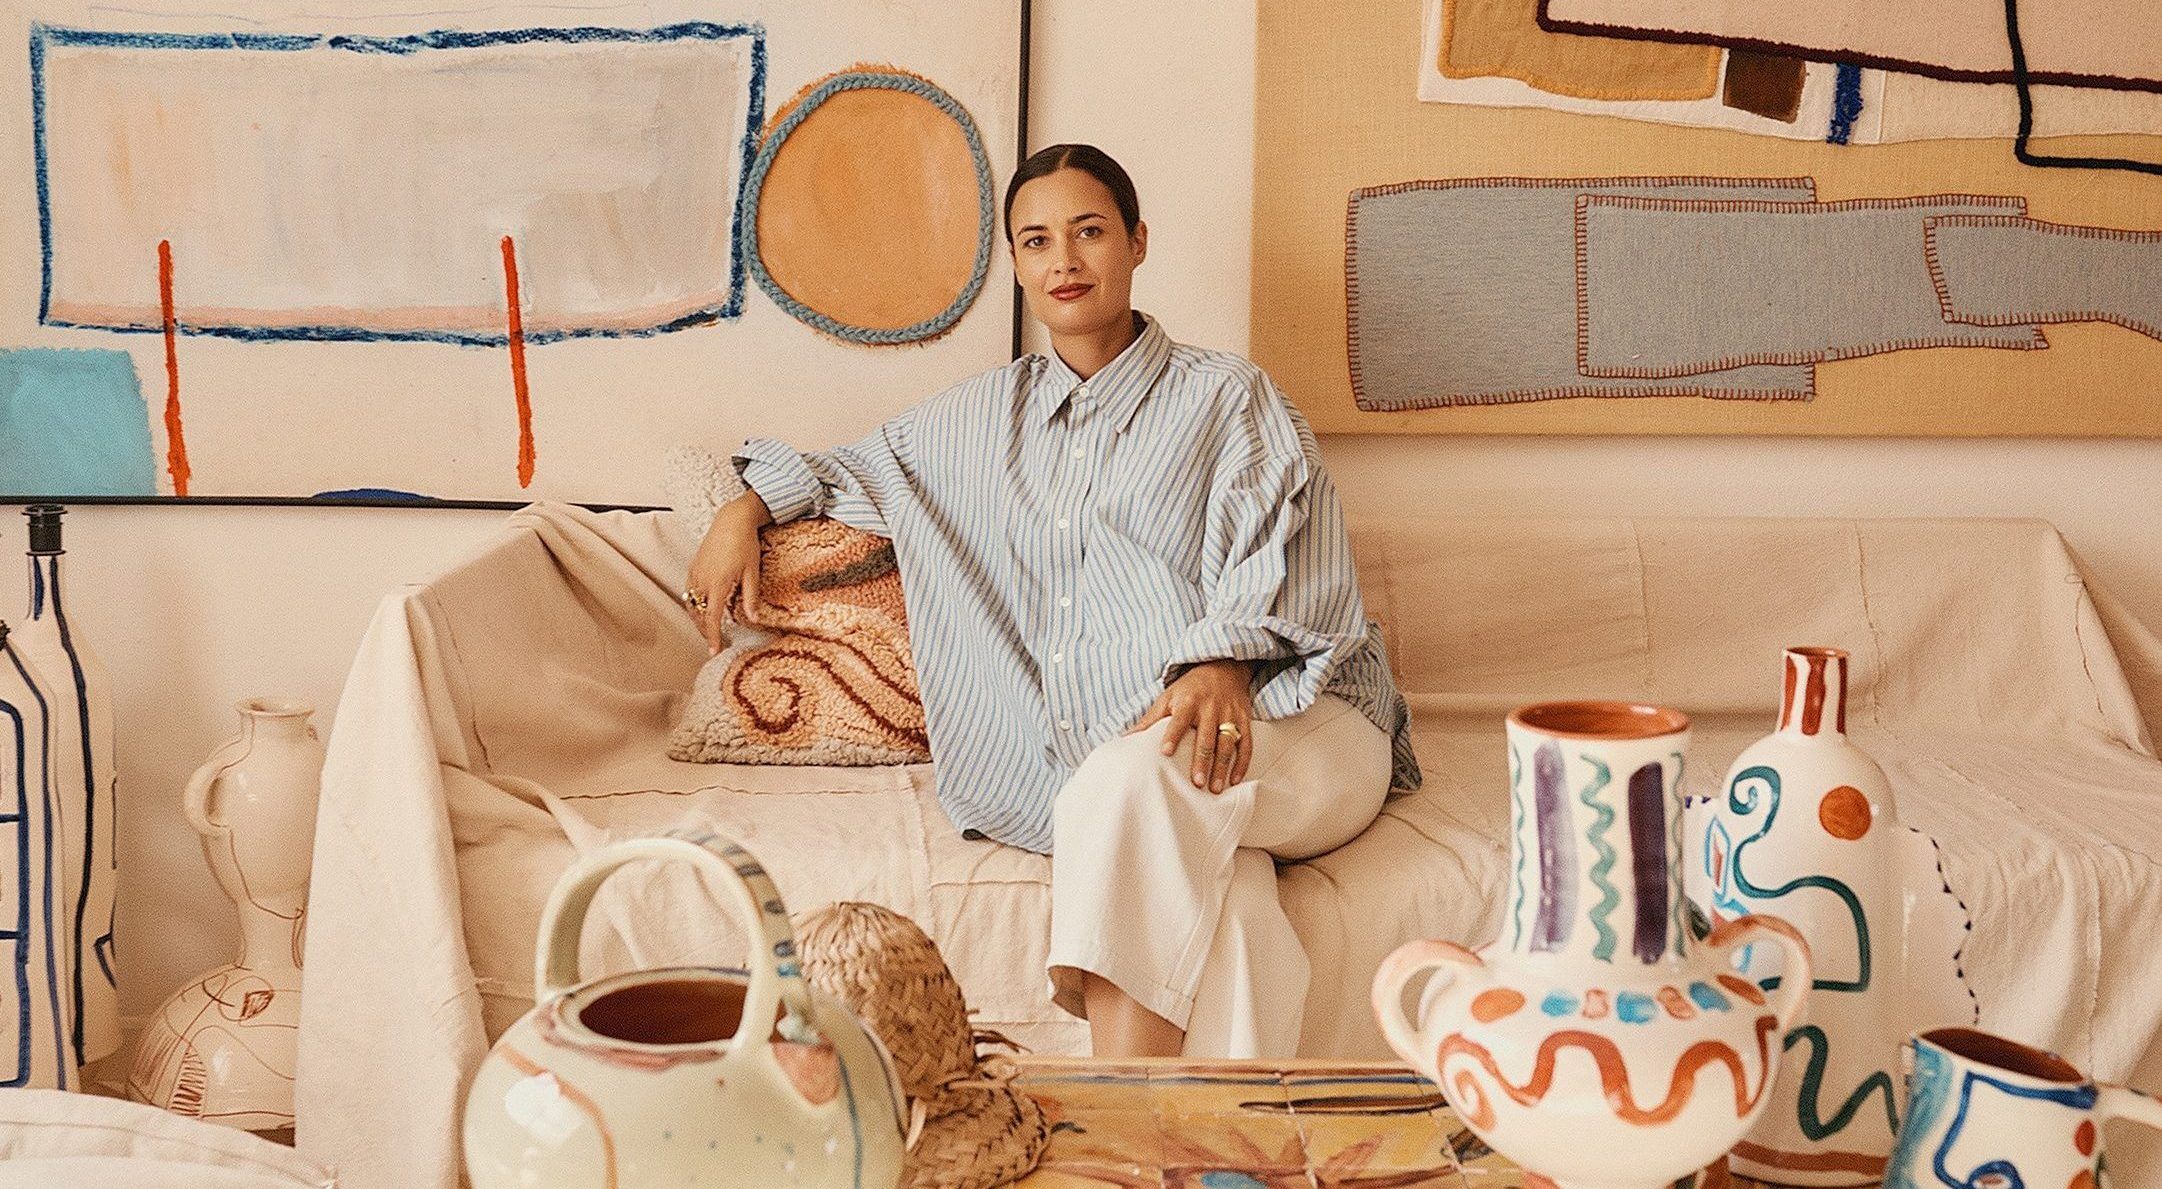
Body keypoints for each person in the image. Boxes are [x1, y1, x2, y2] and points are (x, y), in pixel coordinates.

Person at [683, 143, 1419, 1058]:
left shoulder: (1228, 395)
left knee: (1127, 778)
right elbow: (843, 472)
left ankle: (1115, 1106)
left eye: (1089, 231)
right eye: (1036, 241)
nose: (1064, 260)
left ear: (1137, 242)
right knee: (1221, 901)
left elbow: (1289, 550)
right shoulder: (975, 421)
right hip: (1168, 784)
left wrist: (1221, 659)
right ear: (1019, 267)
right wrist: (743, 506)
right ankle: (1216, 1151)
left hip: (1300, 724)